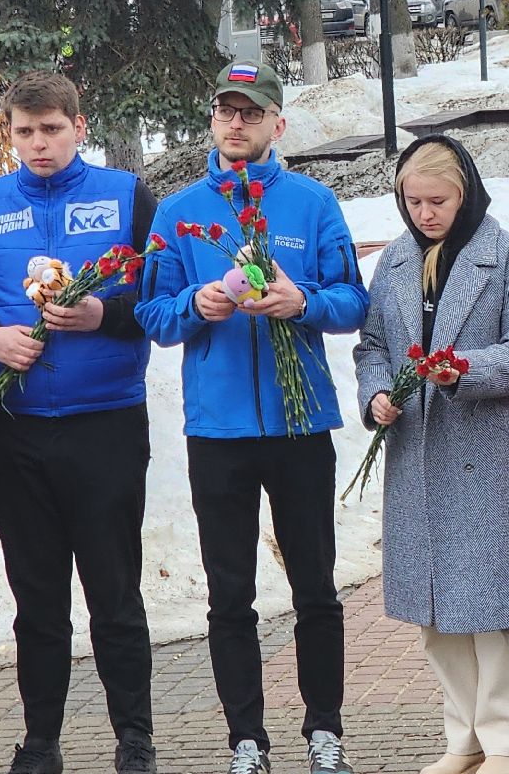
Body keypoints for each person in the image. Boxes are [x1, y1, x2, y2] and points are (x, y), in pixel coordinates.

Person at [137, 60, 369, 774]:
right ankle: (247, 740)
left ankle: (324, 733)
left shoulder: (313, 202)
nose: (237, 123)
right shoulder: (177, 213)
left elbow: (352, 300)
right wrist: (198, 306)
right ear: (213, 119)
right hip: (220, 432)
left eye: (252, 111)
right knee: (229, 593)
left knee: (315, 587)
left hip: (302, 431)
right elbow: (153, 312)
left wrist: (305, 304)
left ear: (277, 123)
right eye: (226, 111)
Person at [0, 71, 159, 774]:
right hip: (18, 430)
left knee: (114, 594)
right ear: (9, 134)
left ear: (78, 127)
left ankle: (135, 737)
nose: (38, 143)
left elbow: (164, 296)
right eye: (24, 131)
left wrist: (104, 314)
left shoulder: (126, 196)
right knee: (37, 600)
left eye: (51, 129)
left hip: (106, 425)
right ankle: (40, 742)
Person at [353, 136, 509, 774]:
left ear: (465, 193)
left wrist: (461, 370)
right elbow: (373, 346)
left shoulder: (508, 255)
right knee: (437, 612)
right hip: (418, 455)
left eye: (438, 200)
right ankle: (461, 736)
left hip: (484, 458)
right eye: (414, 202)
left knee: (493, 611)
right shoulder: (396, 263)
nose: (425, 214)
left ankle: (505, 742)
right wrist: (378, 394)